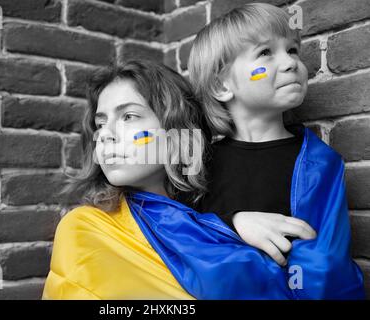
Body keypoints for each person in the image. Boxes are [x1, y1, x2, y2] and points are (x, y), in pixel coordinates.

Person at [42, 60, 329, 300]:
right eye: (101, 123)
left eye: (129, 116)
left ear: (177, 130)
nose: (105, 134)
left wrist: (228, 225)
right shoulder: (85, 230)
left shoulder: (220, 212)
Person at [186, 2, 365, 299]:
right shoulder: (200, 163)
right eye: (265, 53)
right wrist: (234, 223)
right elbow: (180, 236)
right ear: (221, 85)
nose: (290, 62)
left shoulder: (321, 163)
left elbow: (327, 265)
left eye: (292, 50)